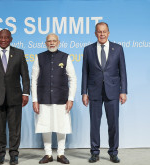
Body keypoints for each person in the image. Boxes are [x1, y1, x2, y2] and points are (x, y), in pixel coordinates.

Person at [0, 29, 30, 165]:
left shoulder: (19, 53)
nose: (3, 40)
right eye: (0, 37)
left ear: (11, 39)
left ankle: (14, 154)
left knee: (15, 129)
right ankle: (0, 154)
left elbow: (25, 76)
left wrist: (25, 93)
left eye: (6, 38)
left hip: (15, 97)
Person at [81, 22, 127, 163]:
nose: (102, 34)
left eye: (104, 31)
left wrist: (123, 91)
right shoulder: (88, 49)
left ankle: (113, 152)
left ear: (108, 33)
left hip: (112, 91)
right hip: (94, 91)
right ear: (95, 33)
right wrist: (84, 92)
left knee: (113, 123)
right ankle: (94, 152)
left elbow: (123, 72)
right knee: (94, 124)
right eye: (99, 32)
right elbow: (85, 72)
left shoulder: (118, 49)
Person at [32, 33, 77, 164]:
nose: (52, 43)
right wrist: (35, 99)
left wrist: (71, 98)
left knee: (61, 126)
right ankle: (48, 154)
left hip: (61, 98)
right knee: (45, 126)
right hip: (43, 98)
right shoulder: (39, 57)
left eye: (54, 41)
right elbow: (34, 79)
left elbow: (73, 79)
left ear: (58, 42)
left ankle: (61, 154)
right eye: (49, 41)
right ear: (46, 43)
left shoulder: (66, 57)